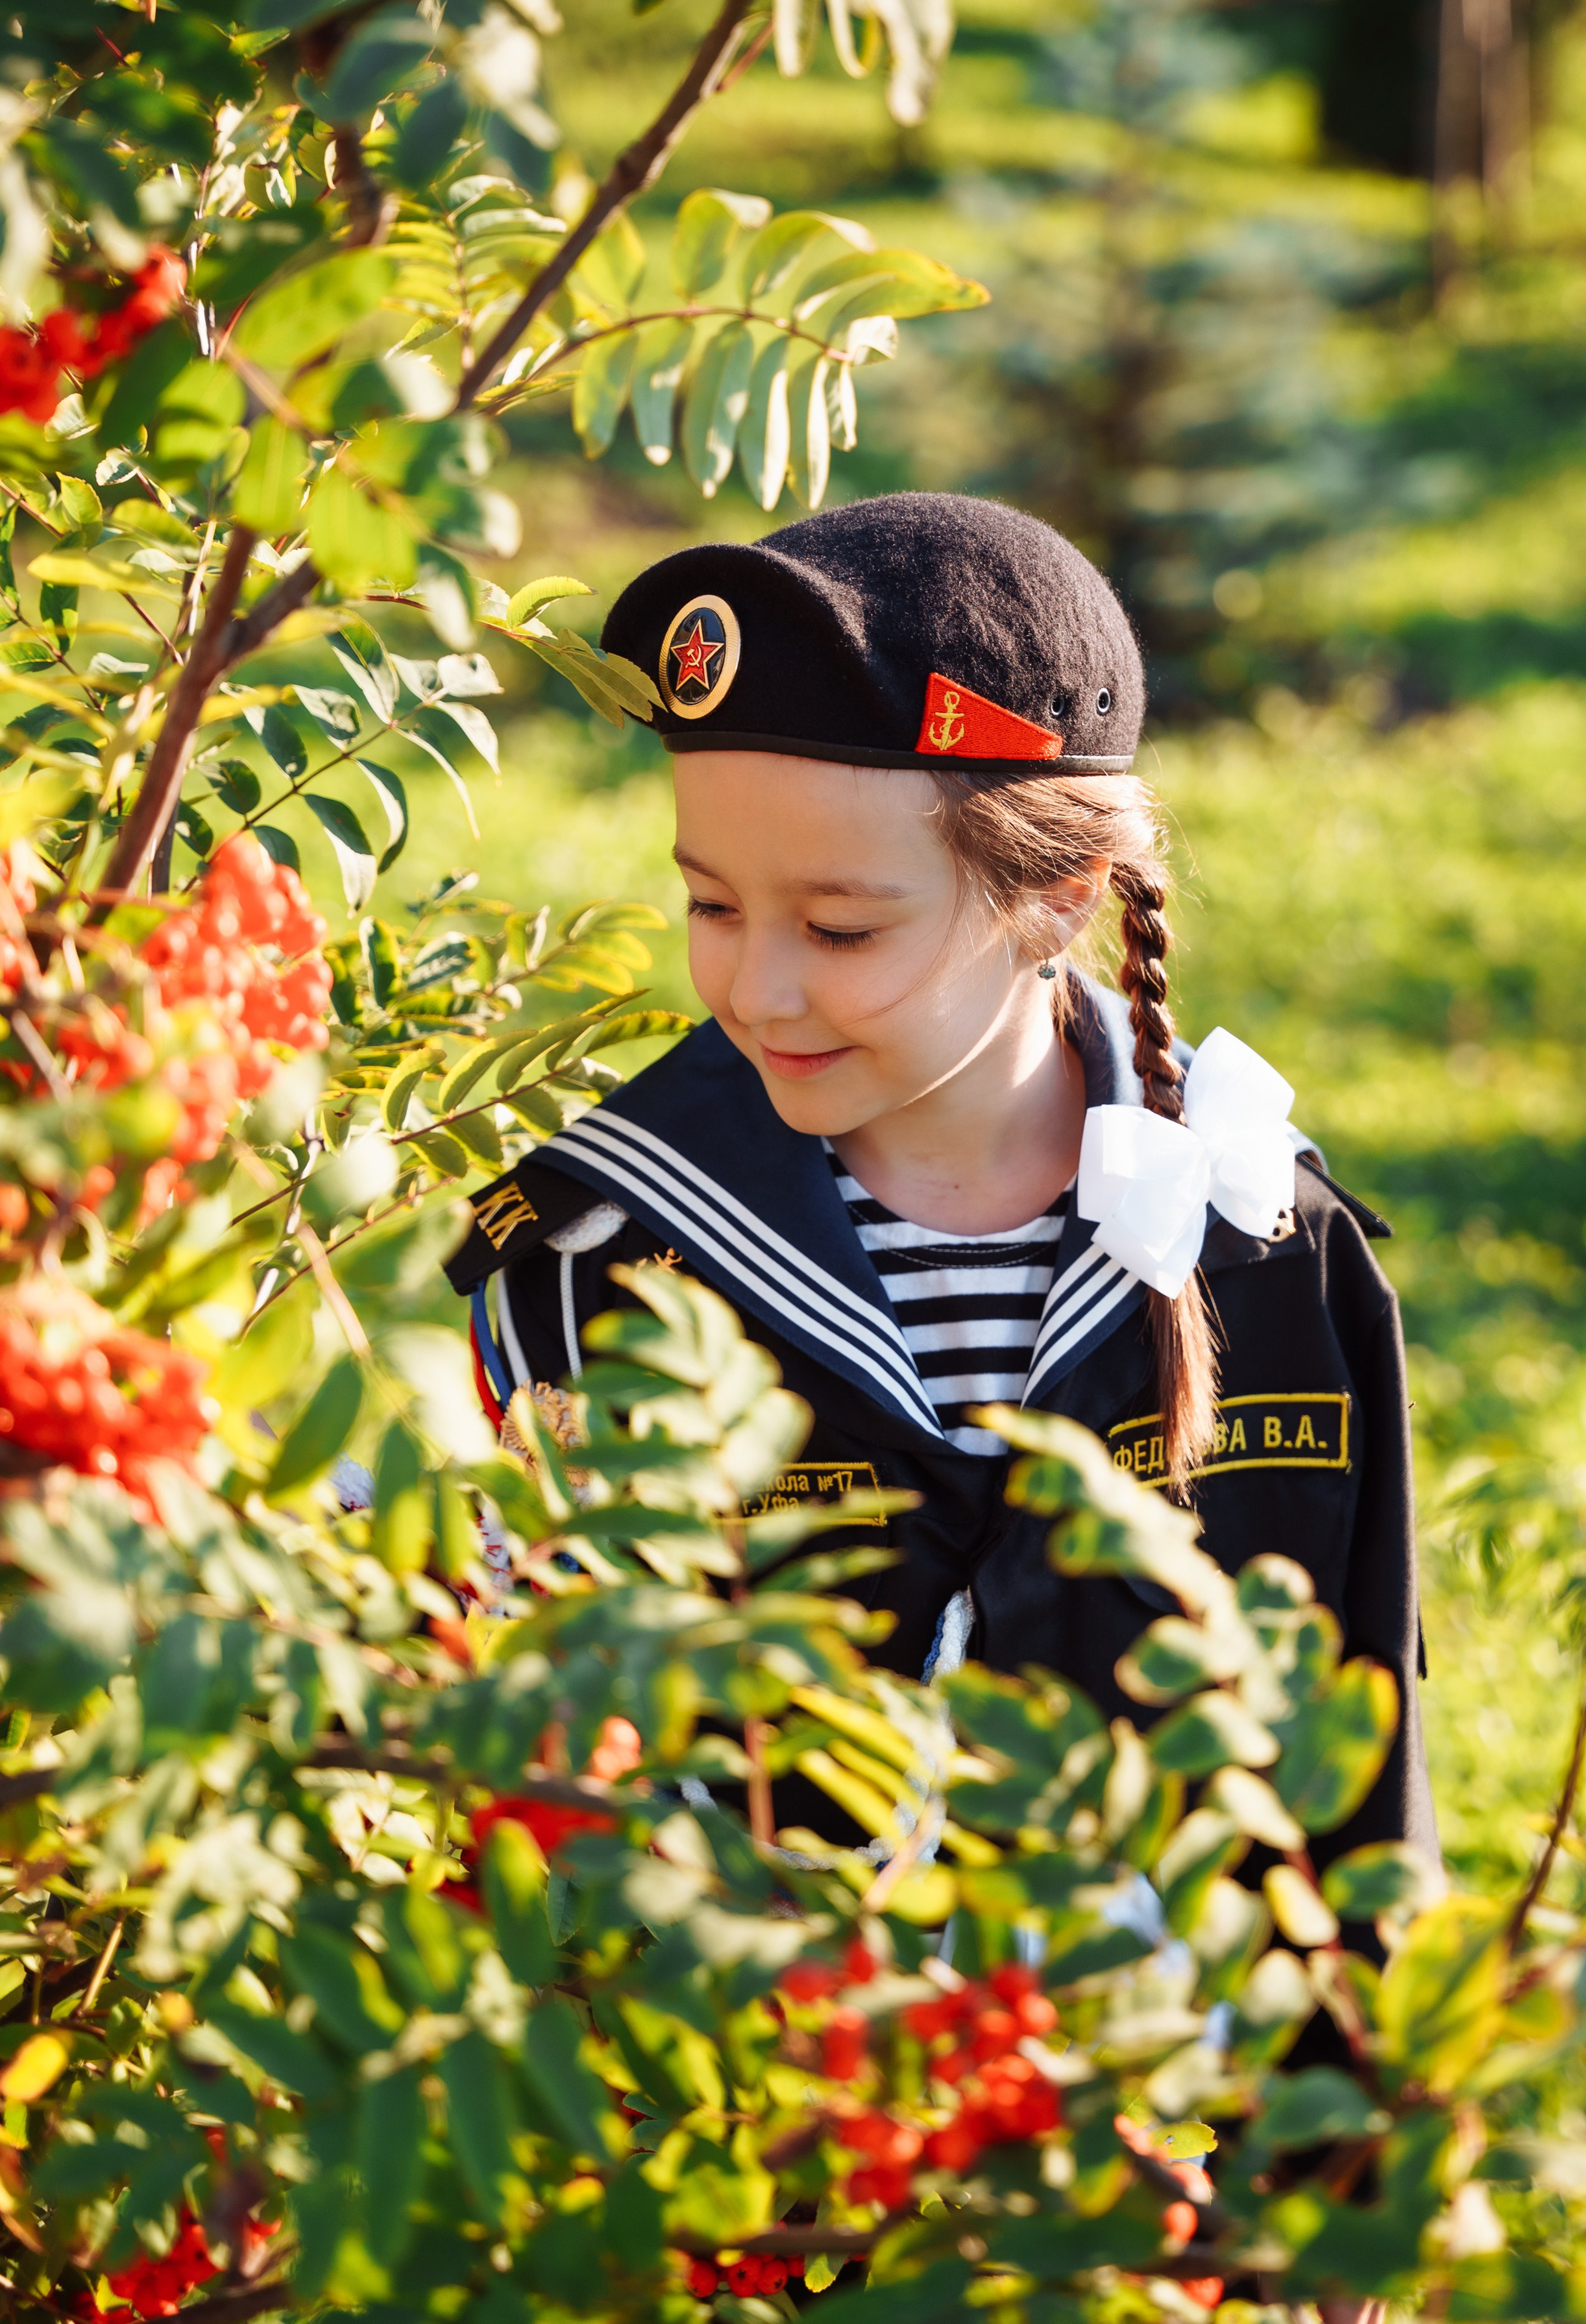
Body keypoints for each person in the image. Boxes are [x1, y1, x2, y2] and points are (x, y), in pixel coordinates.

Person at [448, 492, 1437, 1870]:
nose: (756, 987)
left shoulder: (1268, 1247)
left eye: (840, 928)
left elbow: (1360, 1800)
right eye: (712, 905)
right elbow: (524, 1793)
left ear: (1062, 896)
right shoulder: (592, 1266)